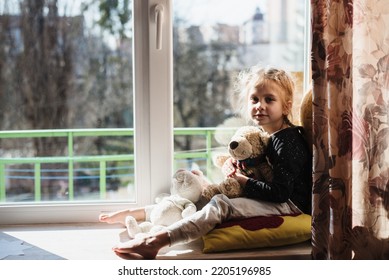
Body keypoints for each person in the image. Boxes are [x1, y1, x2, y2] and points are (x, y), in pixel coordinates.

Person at [100, 66, 312, 259]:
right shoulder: (266, 136)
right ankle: (141, 213)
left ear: (286, 106)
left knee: (220, 203)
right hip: (274, 196)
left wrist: (242, 181)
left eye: (269, 99)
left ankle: (157, 241)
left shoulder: (287, 140)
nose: (260, 106)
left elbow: (280, 193)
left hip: (289, 205)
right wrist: (234, 165)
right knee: (200, 193)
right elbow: (262, 166)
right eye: (254, 99)